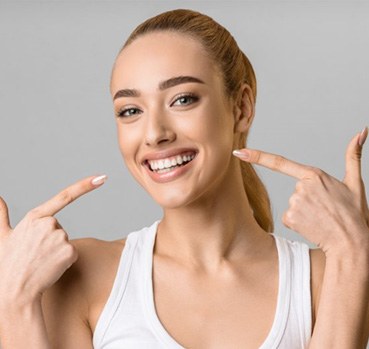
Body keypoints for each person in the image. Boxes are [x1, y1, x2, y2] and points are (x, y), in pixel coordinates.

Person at [0, 8, 368, 349]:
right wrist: (13, 299)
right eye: (130, 110)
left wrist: (353, 251)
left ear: (241, 108)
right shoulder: (83, 276)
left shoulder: (324, 276)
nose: (154, 133)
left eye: (182, 100)